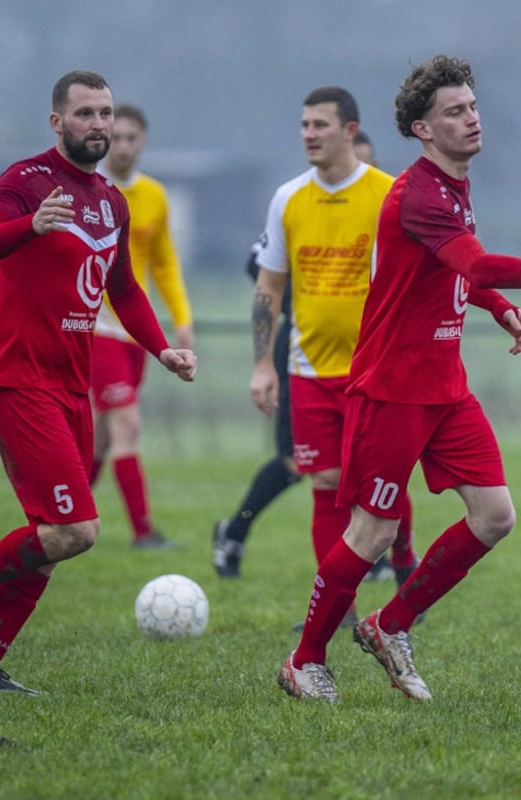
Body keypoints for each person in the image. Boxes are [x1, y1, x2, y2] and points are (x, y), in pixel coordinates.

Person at [277, 55, 521, 703]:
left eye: (472, 106)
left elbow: (456, 271)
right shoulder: (420, 194)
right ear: (423, 130)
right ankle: (305, 659)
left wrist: (497, 308)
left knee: (495, 515)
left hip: (444, 386)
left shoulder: (454, 186)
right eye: (454, 112)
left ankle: (389, 625)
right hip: (393, 387)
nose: (471, 118)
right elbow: (478, 263)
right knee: (372, 533)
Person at [0, 70, 198, 695]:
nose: (99, 125)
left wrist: (162, 349)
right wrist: (30, 225)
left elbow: (121, 288)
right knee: (75, 530)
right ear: (57, 122)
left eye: (106, 114)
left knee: (51, 537)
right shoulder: (25, 180)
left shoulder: (111, 201)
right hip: (19, 379)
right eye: (87, 113)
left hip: (73, 384)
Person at [227, 88, 418, 627]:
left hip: (377, 370)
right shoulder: (288, 198)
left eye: (321, 125)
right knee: (327, 483)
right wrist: (263, 365)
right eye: (304, 124)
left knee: (381, 485)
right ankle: (340, 608)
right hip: (308, 370)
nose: (309, 133)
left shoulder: (390, 194)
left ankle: (404, 560)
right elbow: (268, 287)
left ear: (350, 131)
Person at [91, 103, 195, 549]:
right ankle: (143, 532)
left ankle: (62, 519)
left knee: (99, 438)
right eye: (117, 138)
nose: (124, 146)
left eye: (132, 138)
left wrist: (182, 319)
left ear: (143, 141)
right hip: (97, 329)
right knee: (127, 424)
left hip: (139, 332)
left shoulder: (154, 196)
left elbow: (164, 263)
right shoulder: (90, 191)